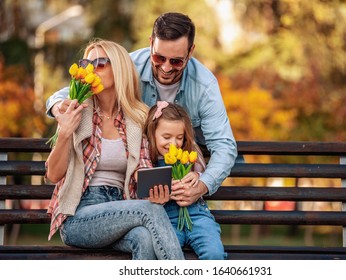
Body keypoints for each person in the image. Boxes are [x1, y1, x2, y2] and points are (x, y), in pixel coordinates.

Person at [46, 12, 237, 210]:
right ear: (151, 42)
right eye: (158, 57)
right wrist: (59, 109)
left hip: (182, 173)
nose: (165, 67)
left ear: (190, 52)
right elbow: (63, 95)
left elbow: (224, 146)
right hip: (137, 181)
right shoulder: (128, 66)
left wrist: (202, 185)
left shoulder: (204, 85)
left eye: (176, 61)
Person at [45, 39, 184, 260]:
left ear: (119, 67)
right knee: (150, 211)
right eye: (87, 64)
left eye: (100, 63)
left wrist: (155, 189)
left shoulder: (138, 118)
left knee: (144, 238)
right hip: (79, 215)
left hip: (121, 207)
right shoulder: (76, 110)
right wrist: (64, 133)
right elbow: (52, 174)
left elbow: (143, 170)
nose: (91, 69)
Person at [143, 101, 226, 260]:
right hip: (166, 219)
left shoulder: (188, 152)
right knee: (165, 255)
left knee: (214, 253)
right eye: (166, 137)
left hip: (197, 216)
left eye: (179, 137)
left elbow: (202, 173)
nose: (173, 144)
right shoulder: (147, 158)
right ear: (152, 133)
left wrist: (196, 176)